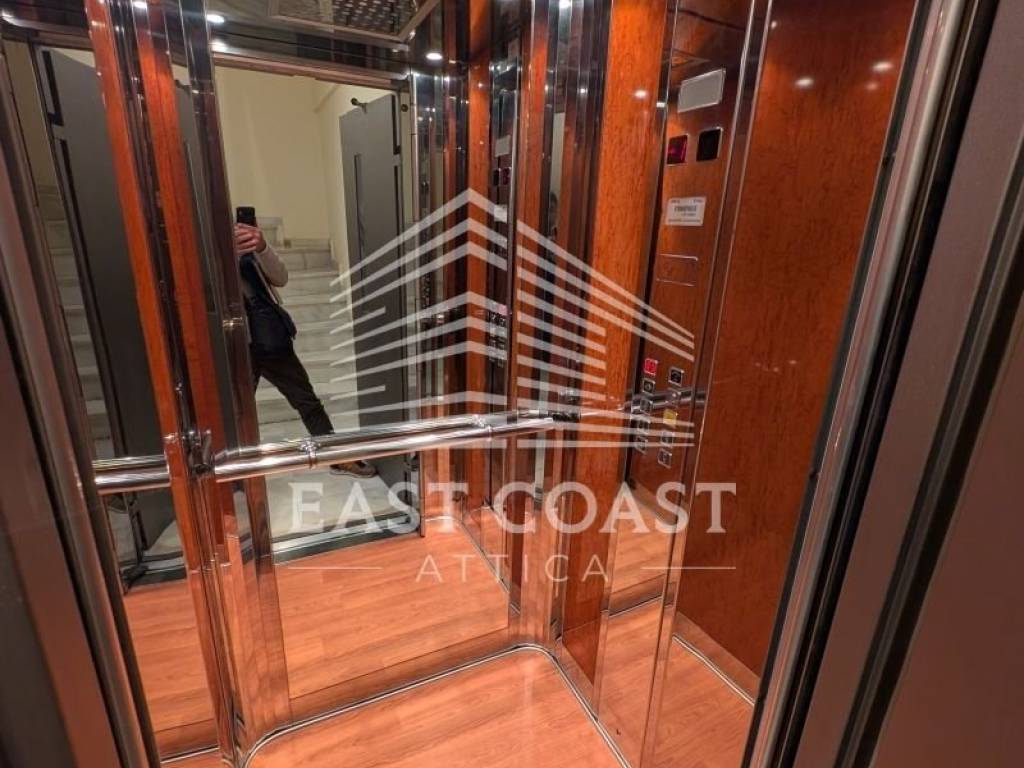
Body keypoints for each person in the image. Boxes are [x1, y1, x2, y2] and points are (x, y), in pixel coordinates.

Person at [234, 222, 375, 478]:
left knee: (307, 401)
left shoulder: (248, 245)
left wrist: (262, 247)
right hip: (233, 347)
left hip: (271, 339)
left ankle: (335, 457)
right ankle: (231, 476)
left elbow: (281, 278)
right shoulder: (203, 252)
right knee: (235, 414)